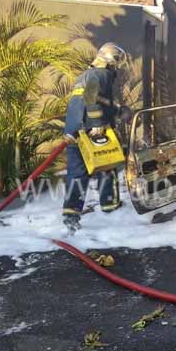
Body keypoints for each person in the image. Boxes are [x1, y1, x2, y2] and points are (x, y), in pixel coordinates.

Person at [62, 43, 129, 235]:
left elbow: (94, 100)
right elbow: (91, 96)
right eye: (116, 62)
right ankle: (111, 207)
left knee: (77, 174)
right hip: (92, 132)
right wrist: (98, 122)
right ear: (111, 61)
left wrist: (118, 111)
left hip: (74, 133)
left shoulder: (85, 75)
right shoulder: (102, 74)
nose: (116, 67)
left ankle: (71, 215)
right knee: (107, 166)